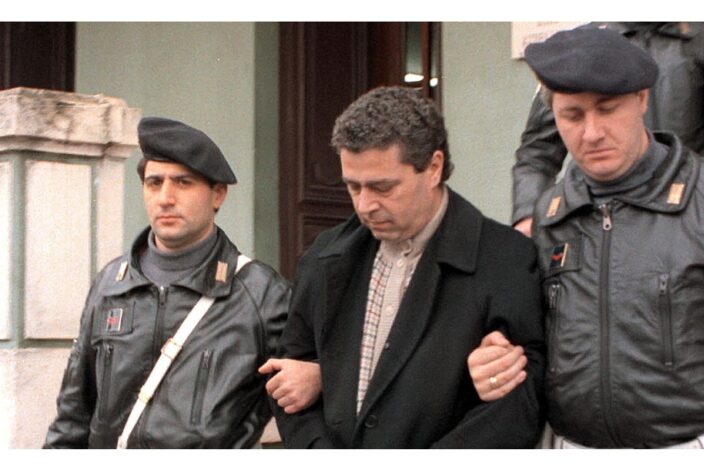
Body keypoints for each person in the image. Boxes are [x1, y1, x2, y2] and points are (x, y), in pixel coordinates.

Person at [469, 27, 704, 448]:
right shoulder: (551, 215)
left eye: (607, 110)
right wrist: (494, 362)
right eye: (572, 116)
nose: (591, 133)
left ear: (642, 100)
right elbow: (531, 348)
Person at [268, 86, 545, 448]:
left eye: (382, 188)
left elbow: (516, 409)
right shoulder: (325, 256)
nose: (365, 205)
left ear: (433, 168)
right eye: (353, 187)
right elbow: (288, 378)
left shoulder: (505, 259)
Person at [44, 117, 292, 448]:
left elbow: (306, 405)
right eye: (154, 183)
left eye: (183, 183)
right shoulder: (111, 285)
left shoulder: (261, 293)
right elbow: (73, 414)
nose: (165, 198)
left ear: (218, 194)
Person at [512, 22, 704, 237]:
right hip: (601, 218)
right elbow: (538, 152)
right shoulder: (579, 52)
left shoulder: (700, 40)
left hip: (690, 212)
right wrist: (528, 216)